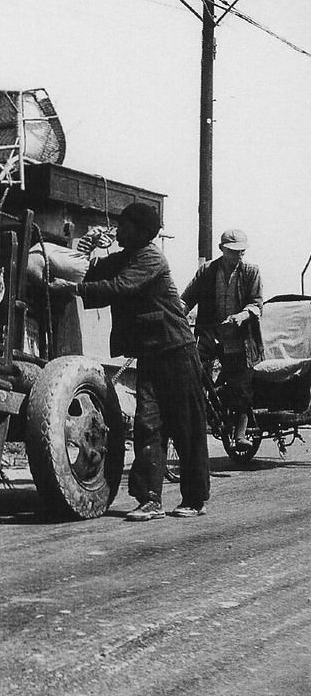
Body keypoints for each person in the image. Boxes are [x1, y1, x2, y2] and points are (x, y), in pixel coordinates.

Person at [49, 203, 209, 521]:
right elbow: (95, 275)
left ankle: (194, 499)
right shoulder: (126, 257)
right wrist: (89, 248)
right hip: (150, 353)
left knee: (186, 426)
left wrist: (74, 288)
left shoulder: (150, 258)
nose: (117, 231)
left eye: (123, 225)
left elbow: (120, 287)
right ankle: (150, 500)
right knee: (148, 425)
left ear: (138, 230)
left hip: (176, 351)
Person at [181, 229, 264, 449]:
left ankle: (241, 432)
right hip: (209, 333)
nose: (237, 256)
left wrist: (242, 315)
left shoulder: (250, 272)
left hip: (239, 337)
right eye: (232, 252)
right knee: (191, 371)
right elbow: (186, 300)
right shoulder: (207, 271)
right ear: (222, 249)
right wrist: (173, 312)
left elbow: (256, 304)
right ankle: (203, 413)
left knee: (241, 385)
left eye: (241, 252)